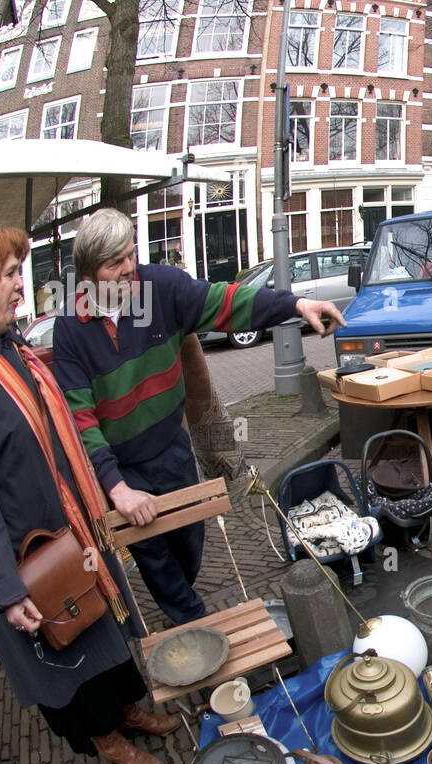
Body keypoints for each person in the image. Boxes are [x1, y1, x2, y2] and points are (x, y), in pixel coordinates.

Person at [0, 227, 179, 764]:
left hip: (73, 528)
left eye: (20, 273)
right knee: (71, 650)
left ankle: (126, 710)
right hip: (34, 551)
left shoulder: (13, 349)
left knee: (104, 630)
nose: (21, 286)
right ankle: (103, 735)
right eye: (10, 275)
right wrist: (3, 588)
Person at [53, 209, 344, 624]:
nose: (129, 269)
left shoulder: (163, 288)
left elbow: (229, 301)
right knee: (152, 554)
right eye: (115, 263)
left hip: (172, 447)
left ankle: (187, 599)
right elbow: (79, 416)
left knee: (189, 542)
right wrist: (115, 488)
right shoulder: (70, 327)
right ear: (88, 273)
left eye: (131, 255)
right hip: (123, 466)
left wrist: (296, 303)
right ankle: (196, 622)